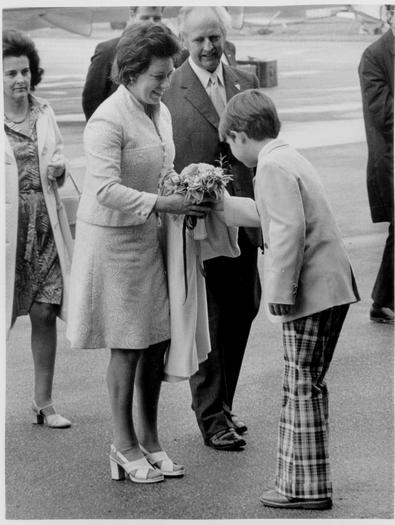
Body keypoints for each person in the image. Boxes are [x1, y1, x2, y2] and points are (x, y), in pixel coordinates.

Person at [67, 22, 213, 484]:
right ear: (130, 72)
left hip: (150, 238)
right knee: (128, 346)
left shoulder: (159, 110)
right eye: (157, 76)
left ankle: (150, 441)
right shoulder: (107, 120)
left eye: (168, 74)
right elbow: (105, 189)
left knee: (155, 343)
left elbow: (163, 168)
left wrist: (186, 184)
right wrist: (164, 202)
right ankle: (122, 444)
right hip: (114, 243)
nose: (165, 84)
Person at [218, 89, 360, 509]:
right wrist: (220, 204)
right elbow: (272, 215)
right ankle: (302, 482)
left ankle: (304, 488)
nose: (230, 148)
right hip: (332, 286)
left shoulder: (272, 166)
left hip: (310, 293)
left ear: (242, 135)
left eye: (229, 141)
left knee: (301, 386)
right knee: (306, 384)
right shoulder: (289, 157)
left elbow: (286, 233)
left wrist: (279, 293)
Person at [163, 6, 262, 451]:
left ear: (225, 36)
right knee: (213, 319)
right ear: (185, 40)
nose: (207, 48)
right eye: (199, 40)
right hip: (199, 226)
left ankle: (223, 403)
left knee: (245, 309)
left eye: (214, 38)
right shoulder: (171, 89)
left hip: (244, 220)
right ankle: (211, 416)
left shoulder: (245, 81)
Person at [4, 29, 73, 428]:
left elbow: (57, 151)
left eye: (25, 71)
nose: (20, 80)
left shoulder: (43, 111)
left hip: (43, 226)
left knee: (45, 311)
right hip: (7, 231)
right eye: (11, 72)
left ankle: (44, 403)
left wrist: (59, 168)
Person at [358, 4, 395, 324]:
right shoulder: (375, 55)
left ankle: (383, 300)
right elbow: (383, 114)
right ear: (390, 16)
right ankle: (381, 300)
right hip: (391, 160)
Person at [81, 6, 164, 120]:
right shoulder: (108, 51)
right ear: (132, 16)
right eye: (145, 18)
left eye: (157, 18)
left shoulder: (169, 52)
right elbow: (92, 99)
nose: (151, 23)